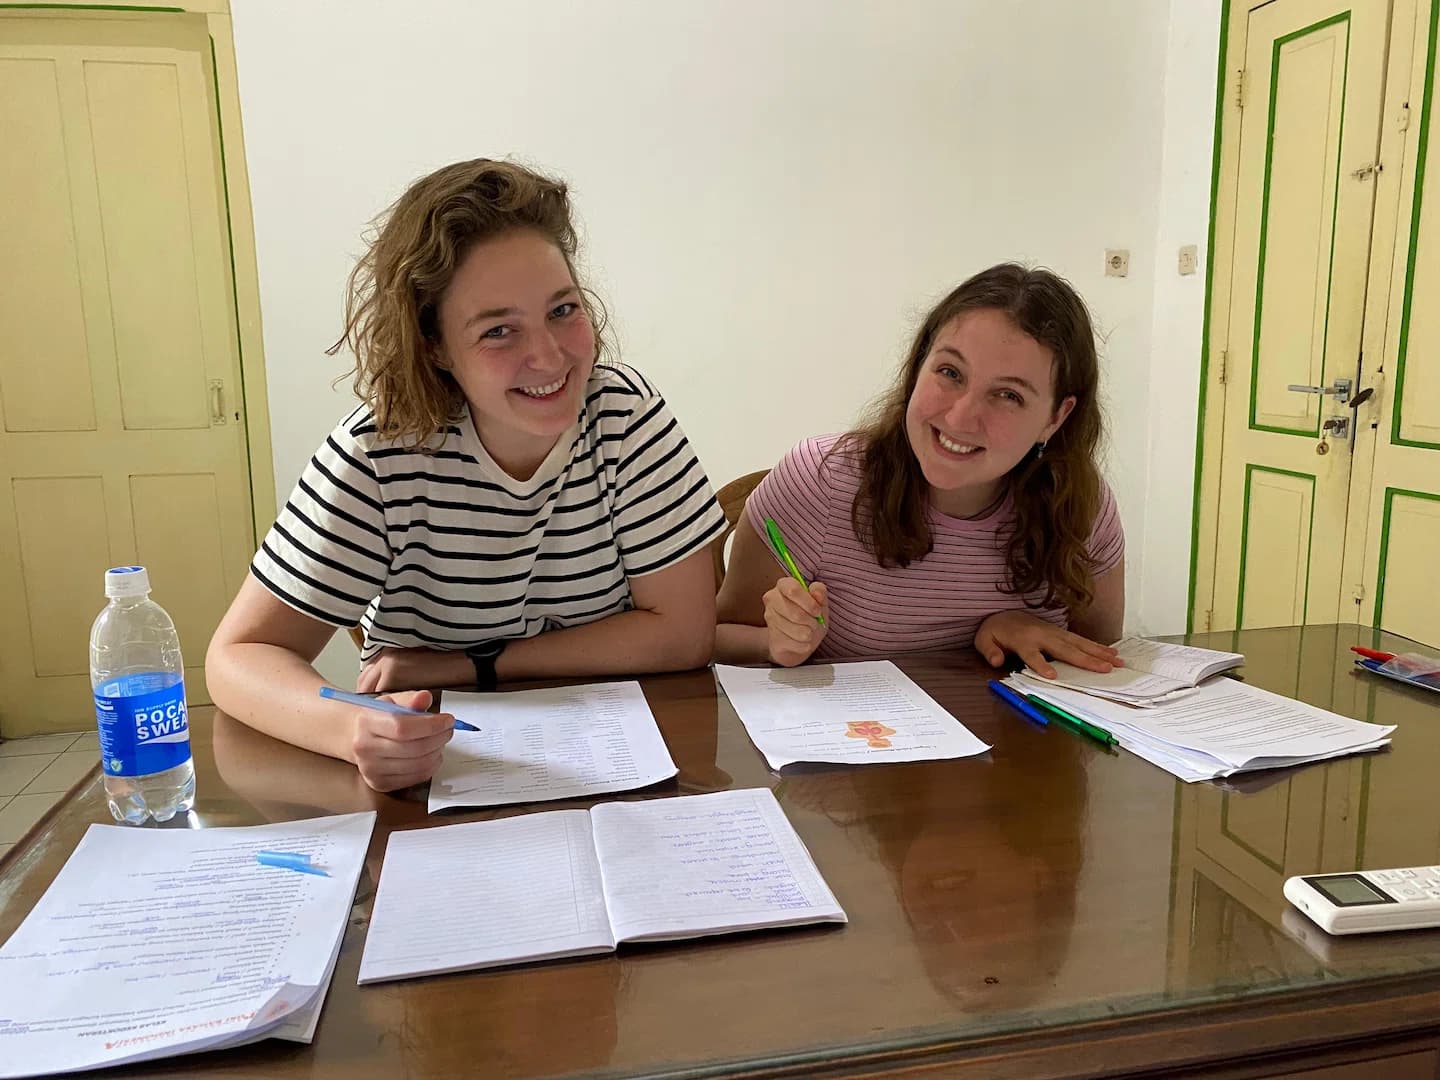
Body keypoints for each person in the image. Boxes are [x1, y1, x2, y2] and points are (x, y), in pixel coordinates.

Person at [208, 159, 725, 792]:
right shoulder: (379, 452)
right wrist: (352, 729)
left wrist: (471, 664)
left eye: (563, 309)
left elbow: (683, 635)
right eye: (499, 330)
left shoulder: (625, 415)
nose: (549, 356)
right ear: (434, 346)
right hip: (440, 779)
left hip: (628, 771)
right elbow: (239, 655)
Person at [715, 263, 1124, 676]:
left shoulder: (1082, 506)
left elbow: (1101, 661)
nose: (960, 418)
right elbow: (717, 637)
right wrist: (774, 643)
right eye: (950, 372)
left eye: (1008, 395)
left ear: (1056, 418)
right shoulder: (819, 481)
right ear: (917, 367)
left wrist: (1017, 628)